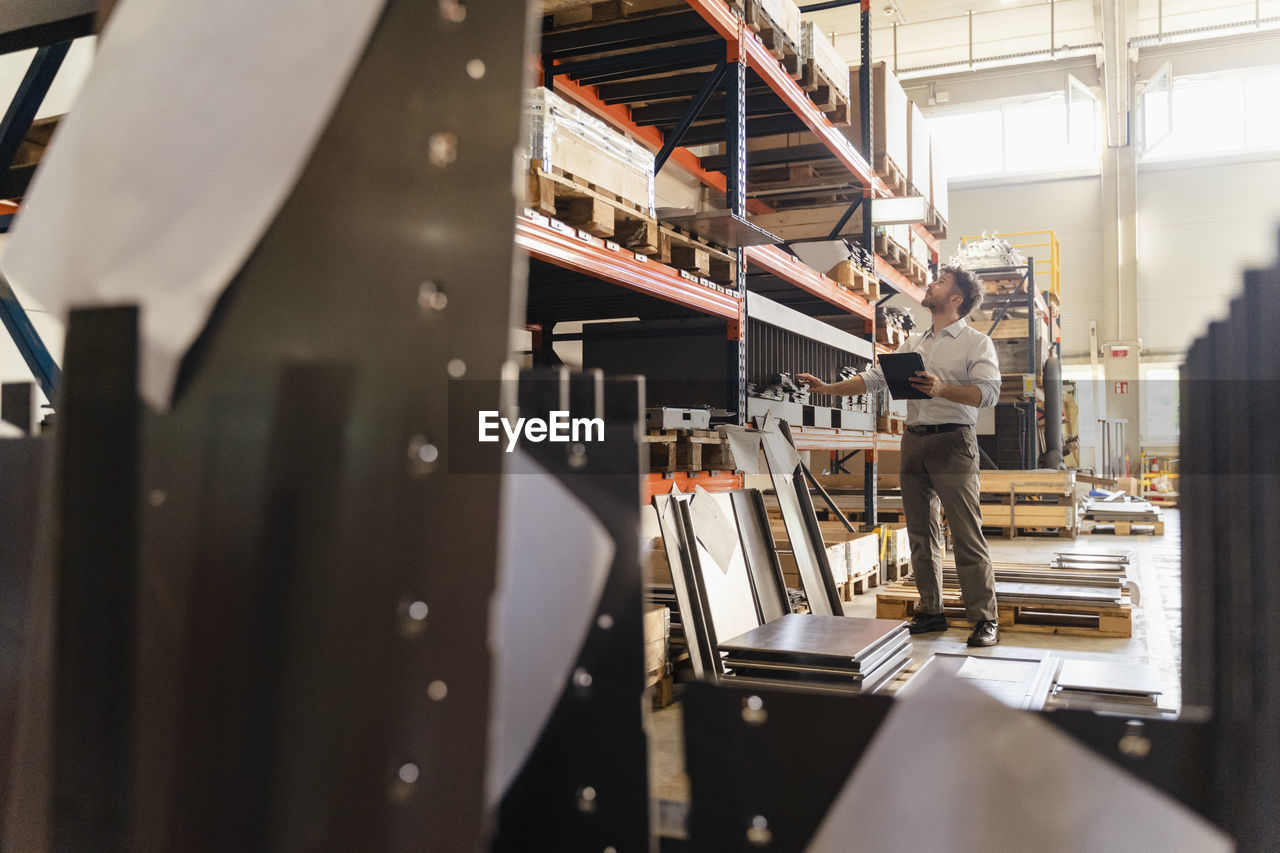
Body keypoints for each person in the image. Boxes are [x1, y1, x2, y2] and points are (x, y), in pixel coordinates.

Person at [797, 266, 1002, 646]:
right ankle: (931, 610)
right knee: (921, 534)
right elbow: (875, 378)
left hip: (954, 442)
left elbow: (988, 394)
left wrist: (942, 389)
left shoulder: (976, 343)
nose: (931, 284)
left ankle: (984, 618)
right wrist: (828, 389)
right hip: (914, 441)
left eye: (940, 283)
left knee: (965, 533)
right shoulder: (913, 342)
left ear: (956, 299)